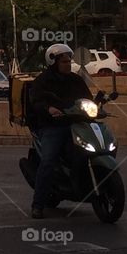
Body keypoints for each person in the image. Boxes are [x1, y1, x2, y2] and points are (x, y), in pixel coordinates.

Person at [28, 43, 93, 219]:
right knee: (48, 160)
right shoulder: (43, 81)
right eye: (64, 61)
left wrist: (95, 106)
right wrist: (49, 109)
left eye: (69, 61)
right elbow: (36, 101)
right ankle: (38, 204)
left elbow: (87, 98)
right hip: (52, 126)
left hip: (76, 124)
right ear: (53, 62)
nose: (68, 64)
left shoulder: (76, 80)